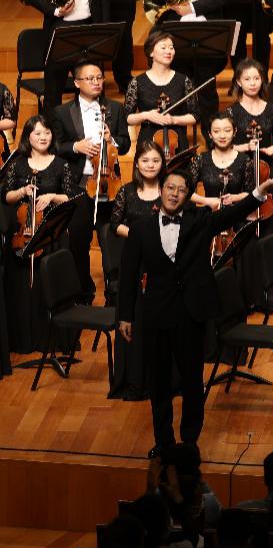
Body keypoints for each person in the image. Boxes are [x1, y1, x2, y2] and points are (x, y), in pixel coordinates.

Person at [118, 169, 273, 456]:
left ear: (188, 196)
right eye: (170, 187)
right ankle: (163, 442)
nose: (174, 193)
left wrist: (260, 191)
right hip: (156, 314)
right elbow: (128, 274)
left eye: (181, 190)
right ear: (161, 190)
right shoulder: (140, 228)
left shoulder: (200, 221)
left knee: (192, 381)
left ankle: (190, 441)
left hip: (190, 313)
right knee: (159, 382)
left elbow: (232, 214)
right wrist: (125, 316)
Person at [51, 60, 130, 302]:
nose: (96, 82)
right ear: (76, 83)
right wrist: (77, 146)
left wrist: (112, 140)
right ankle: (83, 293)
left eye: (99, 77)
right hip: (78, 184)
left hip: (109, 182)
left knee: (111, 238)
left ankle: (114, 293)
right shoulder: (62, 112)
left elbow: (125, 144)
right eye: (90, 78)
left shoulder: (115, 108)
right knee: (79, 241)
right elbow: (56, 146)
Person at [3, 116, 79, 356]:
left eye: (46, 132)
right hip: (23, 234)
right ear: (28, 137)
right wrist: (22, 191)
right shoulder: (18, 164)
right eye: (37, 133)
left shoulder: (61, 164)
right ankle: (24, 338)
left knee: (50, 285)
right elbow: (6, 196)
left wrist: (51, 197)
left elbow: (70, 197)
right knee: (23, 287)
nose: (43, 137)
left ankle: (54, 340)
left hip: (51, 235)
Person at [143, 0, 228, 121]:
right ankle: (175, 121)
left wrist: (191, 8)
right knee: (174, 71)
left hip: (205, 26)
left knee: (205, 79)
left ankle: (209, 126)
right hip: (176, 26)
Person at [106, 141, 163, 400]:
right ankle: (136, 378)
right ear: (137, 164)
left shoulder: (168, 190)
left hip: (162, 262)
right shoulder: (127, 192)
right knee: (135, 318)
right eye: (145, 161)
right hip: (134, 265)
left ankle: (160, 379)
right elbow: (114, 224)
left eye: (155, 160)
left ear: (162, 163)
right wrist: (140, 238)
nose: (150, 165)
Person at [124, 30, 198, 158]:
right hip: (147, 142)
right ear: (151, 52)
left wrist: (174, 120)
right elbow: (127, 118)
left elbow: (195, 116)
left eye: (171, 47)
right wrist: (146, 115)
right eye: (163, 47)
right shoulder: (137, 82)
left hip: (177, 140)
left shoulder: (184, 81)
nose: (168, 51)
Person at [188, 112, 251, 214]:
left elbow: (251, 193)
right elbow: (186, 191)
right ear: (210, 134)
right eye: (216, 131)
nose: (222, 136)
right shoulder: (201, 159)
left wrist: (234, 198)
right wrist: (207, 201)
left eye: (227, 131)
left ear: (234, 131)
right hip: (209, 217)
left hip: (236, 216)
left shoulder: (244, 160)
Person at [225, 58, 273, 160]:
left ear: (262, 80)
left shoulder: (272, 109)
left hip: (266, 164)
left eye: (256, 78)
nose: (253, 83)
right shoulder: (231, 112)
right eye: (247, 79)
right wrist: (246, 147)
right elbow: (223, 146)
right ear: (239, 82)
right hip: (239, 165)